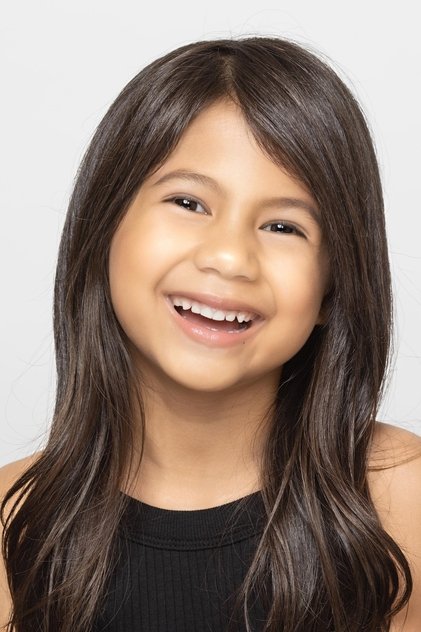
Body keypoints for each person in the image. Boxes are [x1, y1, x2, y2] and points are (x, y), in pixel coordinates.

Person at [1, 36, 421, 632]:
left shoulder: (400, 499)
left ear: (333, 288)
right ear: (105, 227)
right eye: (188, 202)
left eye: (283, 227)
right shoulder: (14, 523)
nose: (229, 257)